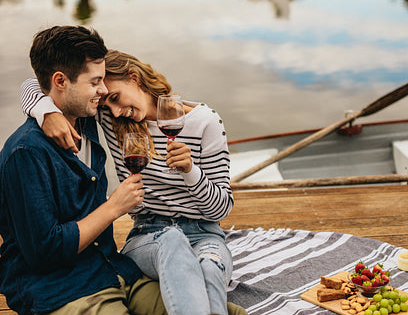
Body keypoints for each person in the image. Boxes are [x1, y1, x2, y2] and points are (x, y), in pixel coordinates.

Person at [21, 50, 245, 315]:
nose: (116, 110)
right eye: (107, 105)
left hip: (204, 233)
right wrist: (47, 112)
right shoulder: (110, 119)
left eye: (115, 98)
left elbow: (220, 210)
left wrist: (191, 171)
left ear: (135, 78)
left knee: (210, 269)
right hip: (149, 235)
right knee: (171, 239)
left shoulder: (205, 122)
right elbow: (33, 84)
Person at [0, 26, 167, 315]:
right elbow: (43, 252)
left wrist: (46, 108)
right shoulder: (26, 153)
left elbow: (33, 84)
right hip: (60, 289)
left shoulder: (87, 120)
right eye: (95, 82)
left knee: (214, 308)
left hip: (111, 269)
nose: (103, 91)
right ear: (61, 81)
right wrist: (113, 207)